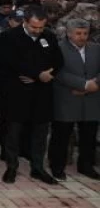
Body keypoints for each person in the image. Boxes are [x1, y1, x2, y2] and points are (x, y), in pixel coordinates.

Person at [0, 6, 64, 184]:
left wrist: (50, 73)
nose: (38, 31)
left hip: (42, 94)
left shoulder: (48, 36)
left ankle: (37, 167)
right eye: (34, 27)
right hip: (16, 94)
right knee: (13, 133)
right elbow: (7, 62)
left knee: (40, 133)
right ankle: (12, 166)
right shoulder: (8, 37)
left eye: (41, 27)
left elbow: (58, 60)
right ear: (25, 22)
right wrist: (36, 74)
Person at [48, 19, 100, 181]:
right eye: (78, 33)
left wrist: (95, 84)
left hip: (92, 98)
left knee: (89, 136)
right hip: (67, 97)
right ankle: (57, 167)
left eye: (85, 33)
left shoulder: (96, 49)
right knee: (62, 136)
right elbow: (58, 72)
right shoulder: (58, 48)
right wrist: (83, 84)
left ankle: (86, 166)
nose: (82, 37)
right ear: (69, 33)